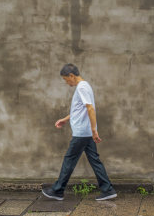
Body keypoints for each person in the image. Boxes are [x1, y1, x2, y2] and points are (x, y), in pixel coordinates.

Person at [42, 63, 117, 201]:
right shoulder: (85, 86)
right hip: (85, 132)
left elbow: (90, 108)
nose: (66, 82)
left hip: (82, 132)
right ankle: (108, 189)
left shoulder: (82, 87)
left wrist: (94, 131)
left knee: (69, 160)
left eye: (66, 79)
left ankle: (58, 190)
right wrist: (65, 119)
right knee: (94, 160)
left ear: (71, 75)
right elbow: (80, 109)